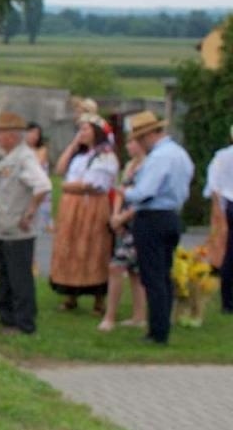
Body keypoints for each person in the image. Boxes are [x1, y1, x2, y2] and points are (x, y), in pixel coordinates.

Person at [112, 111, 195, 345]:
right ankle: (162, 324)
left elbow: (145, 191)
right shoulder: (180, 154)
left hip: (152, 217)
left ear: (149, 135)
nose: (139, 144)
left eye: (140, 139)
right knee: (164, 273)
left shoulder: (159, 158)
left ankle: (157, 331)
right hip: (171, 215)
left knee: (153, 276)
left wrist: (125, 192)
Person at [0, 111, 52, 336]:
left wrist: (30, 212)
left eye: (1, 133)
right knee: (5, 276)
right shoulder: (10, 158)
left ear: (12, 136)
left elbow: (43, 185)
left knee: (19, 278)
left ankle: (24, 322)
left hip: (18, 228)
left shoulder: (24, 158)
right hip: (5, 226)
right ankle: (6, 317)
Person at [48, 116, 117, 313]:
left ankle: (98, 298)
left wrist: (68, 186)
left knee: (93, 247)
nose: (82, 133)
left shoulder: (105, 156)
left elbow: (91, 184)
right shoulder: (80, 156)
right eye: (80, 130)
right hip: (72, 206)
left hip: (91, 206)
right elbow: (60, 169)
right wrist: (73, 145)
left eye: (85, 130)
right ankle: (71, 294)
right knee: (70, 247)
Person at [98, 135, 150, 332]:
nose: (128, 146)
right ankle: (138, 316)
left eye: (132, 142)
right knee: (133, 271)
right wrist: (115, 214)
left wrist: (124, 217)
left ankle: (110, 316)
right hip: (123, 221)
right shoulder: (129, 165)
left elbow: (144, 197)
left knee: (117, 266)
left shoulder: (148, 166)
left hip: (137, 220)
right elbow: (121, 190)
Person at [205, 124, 233, 315]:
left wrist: (218, 209)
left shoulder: (222, 156)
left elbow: (213, 185)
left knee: (229, 253)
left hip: (228, 203)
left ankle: (228, 301)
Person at [25, 123, 52, 233]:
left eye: (37, 134)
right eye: (32, 132)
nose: (34, 136)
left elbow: (36, 165)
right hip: (27, 190)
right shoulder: (21, 150)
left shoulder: (41, 150)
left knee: (39, 220)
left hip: (40, 190)